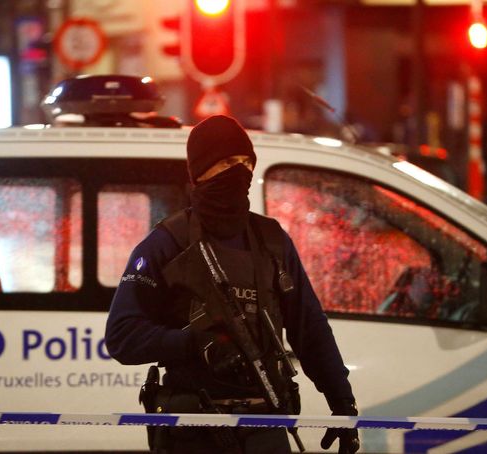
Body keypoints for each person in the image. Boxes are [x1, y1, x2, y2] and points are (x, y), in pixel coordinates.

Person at [105, 115, 360, 454]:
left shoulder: (271, 241)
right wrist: (192, 343)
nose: (240, 171)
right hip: (193, 426)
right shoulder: (167, 243)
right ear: (200, 173)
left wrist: (342, 404)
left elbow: (309, 327)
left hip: (265, 422)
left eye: (246, 162)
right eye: (226, 162)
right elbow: (122, 336)